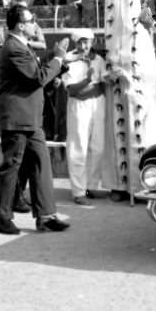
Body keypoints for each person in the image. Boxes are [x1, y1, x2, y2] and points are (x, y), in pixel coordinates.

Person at [0, 3, 75, 234]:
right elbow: (36, 77)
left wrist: (59, 65)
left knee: (40, 164)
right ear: (20, 25)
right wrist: (57, 59)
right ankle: (2, 218)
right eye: (31, 21)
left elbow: (35, 76)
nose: (34, 24)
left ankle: (46, 216)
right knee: (11, 167)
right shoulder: (14, 47)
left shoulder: (19, 46)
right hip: (18, 117)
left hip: (29, 117)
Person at [61, 30, 109, 205]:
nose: (83, 46)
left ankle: (91, 186)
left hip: (98, 104)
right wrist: (88, 81)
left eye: (86, 42)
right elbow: (72, 90)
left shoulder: (99, 59)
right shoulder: (68, 59)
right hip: (78, 106)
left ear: (92, 41)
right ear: (75, 43)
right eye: (80, 42)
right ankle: (78, 191)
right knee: (78, 146)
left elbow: (104, 84)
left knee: (98, 147)